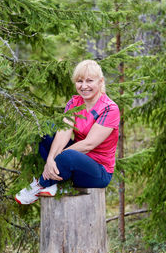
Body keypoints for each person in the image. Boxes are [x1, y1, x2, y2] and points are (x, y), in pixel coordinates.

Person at [15, 60, 120, 205]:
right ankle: (54, 182)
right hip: (75, 159)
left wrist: (58, 157)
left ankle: (41, 184)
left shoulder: (109, 109)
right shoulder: (74, 102)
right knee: (45, 130)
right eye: (79, 81)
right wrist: (51, 159)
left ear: (100, 81)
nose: (84, 86)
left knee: (68, 155)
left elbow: (88, 144)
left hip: (98, 171)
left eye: (89, 81)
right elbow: (63, 132)